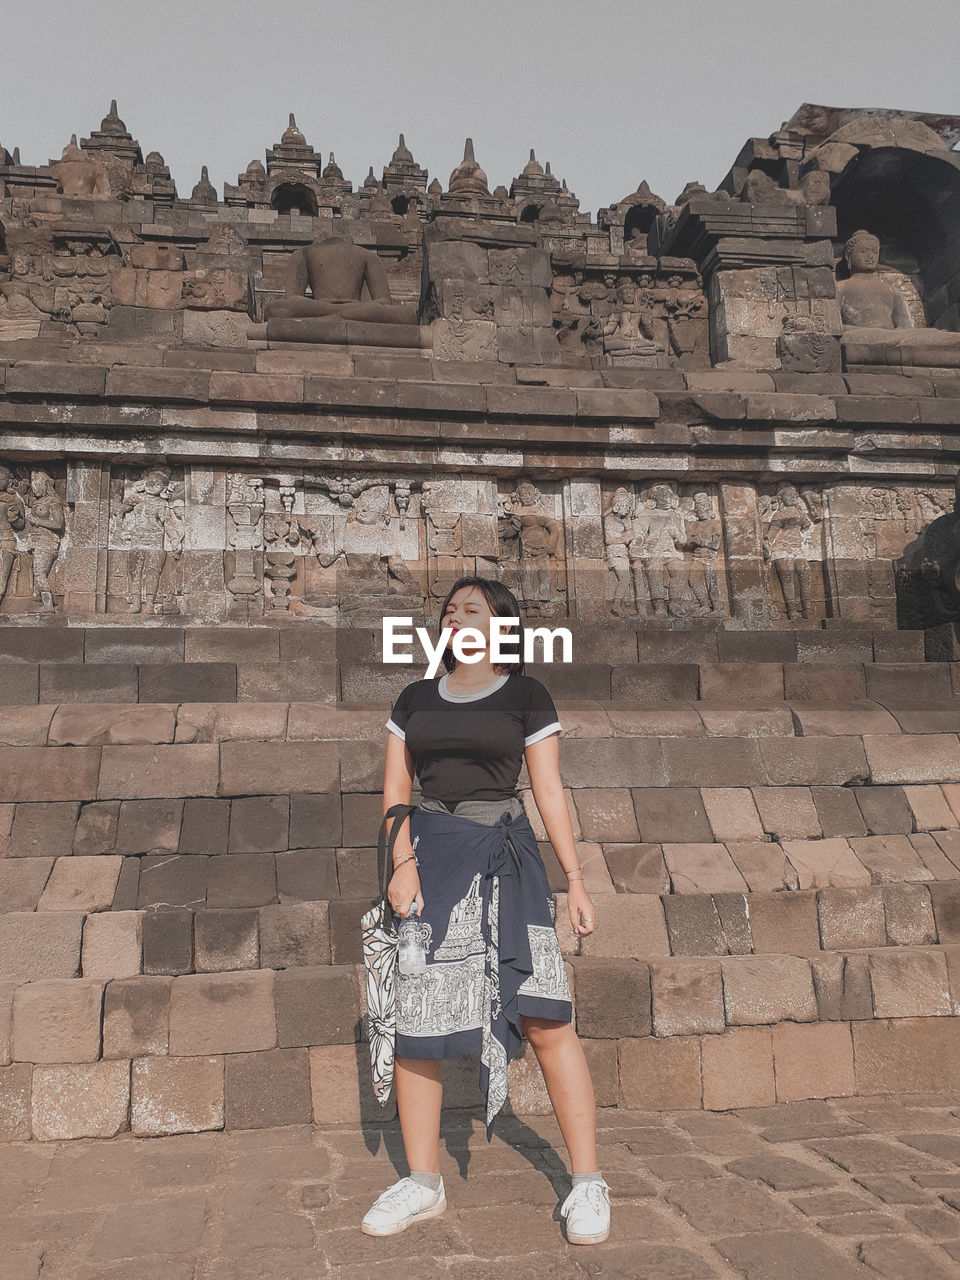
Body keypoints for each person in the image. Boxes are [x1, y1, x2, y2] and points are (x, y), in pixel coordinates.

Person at [361, 576, 611, 1244]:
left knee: (545, 1015)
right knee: (419, 1022)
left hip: (507, 861)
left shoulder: (527, 695)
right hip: (429, 864)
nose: (456, 617)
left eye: (472, 608)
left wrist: (577, 878)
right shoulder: (414, 699)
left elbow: (548, 788)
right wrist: (401, 865)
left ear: (502, 624)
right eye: (448, 610)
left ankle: (587, 1182)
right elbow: (395, 787)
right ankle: (422, 1179)